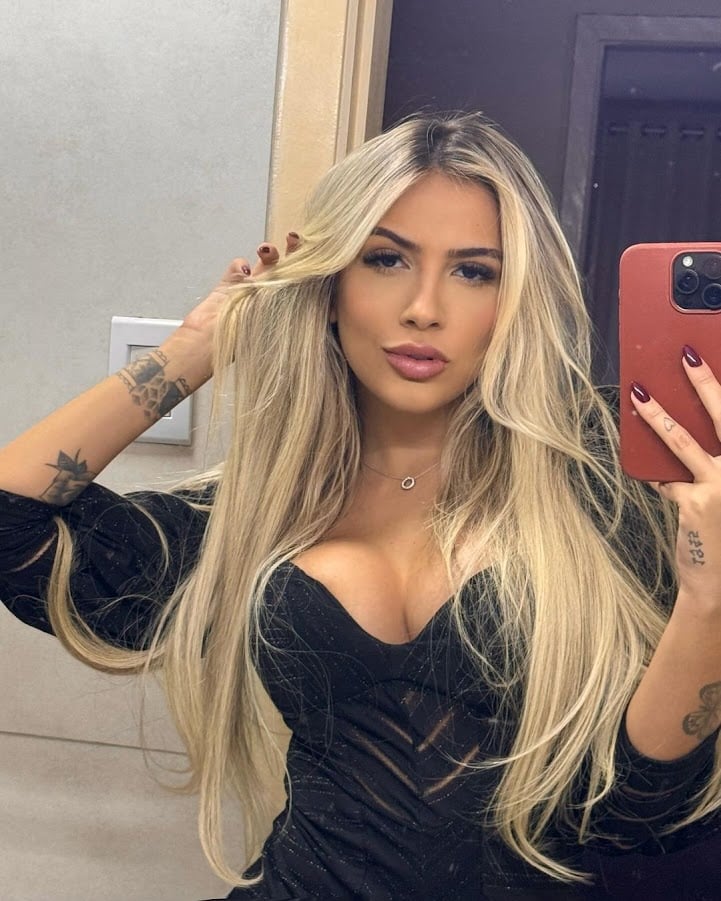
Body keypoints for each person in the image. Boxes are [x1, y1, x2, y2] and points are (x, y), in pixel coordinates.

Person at [2, 112, 721, 901]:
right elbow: (12, 521)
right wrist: (198, 344)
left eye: (472, 271)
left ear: (516, 298)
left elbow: (638, 814)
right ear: (330, 284)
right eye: (385, 258)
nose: (422, 307)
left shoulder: (609, 478)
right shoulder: (256, 514)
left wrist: (707, 600)